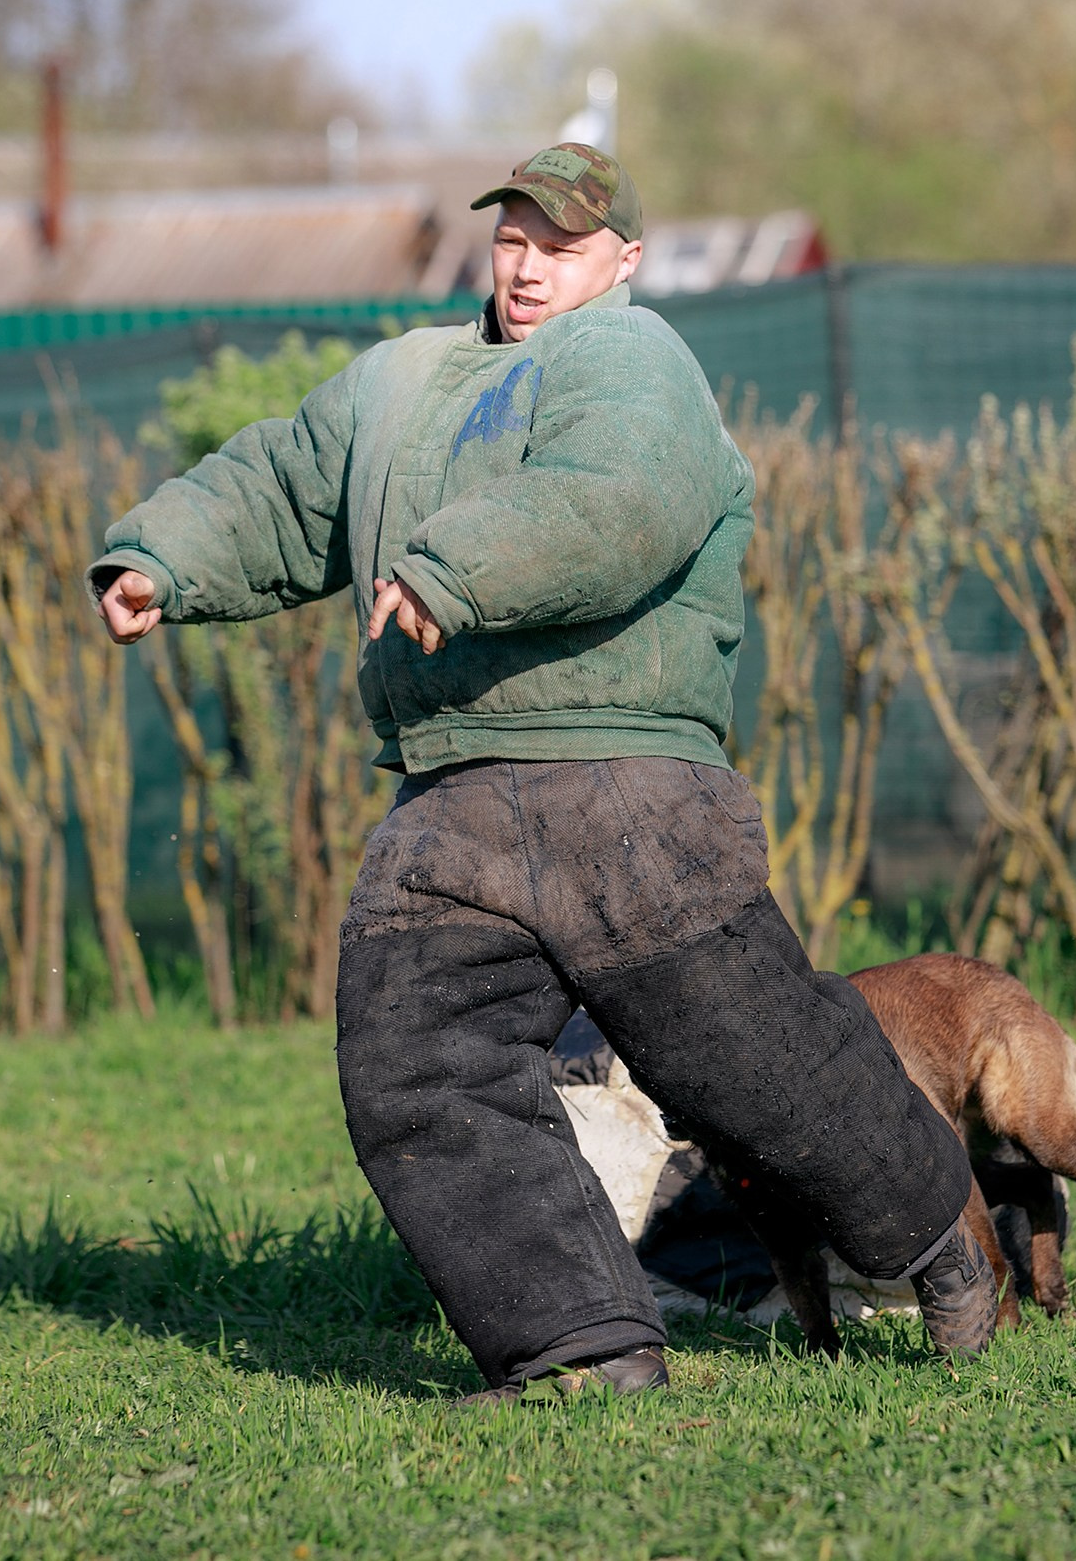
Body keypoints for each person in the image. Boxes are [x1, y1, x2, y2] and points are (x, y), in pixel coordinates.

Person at [91, 143, 997, 1402]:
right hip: (451, 798)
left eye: (559, 247)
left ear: (621, 261)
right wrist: (162, 559)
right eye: (510, 239)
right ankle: (583, 1342)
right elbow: (283, 488)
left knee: (753, 1063)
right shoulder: (400, 377)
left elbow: (617, 498)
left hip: (626, 786)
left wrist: (454, 568)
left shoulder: (631, 360)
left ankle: (939, 1238)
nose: (525, 268)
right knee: (417, 1066)